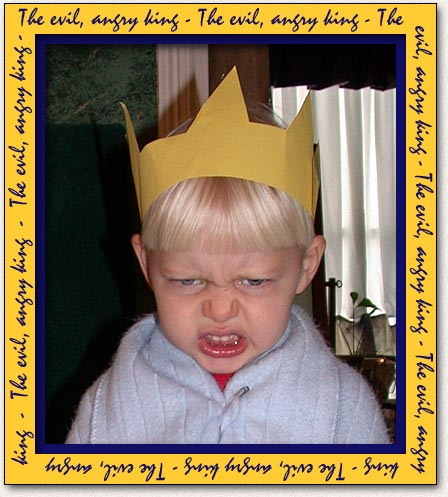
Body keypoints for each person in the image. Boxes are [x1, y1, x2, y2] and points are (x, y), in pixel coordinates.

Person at [65, 68, 390, 444]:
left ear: (306, 265)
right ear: (147, 264)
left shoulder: (344, 410)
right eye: (188, 280)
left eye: (253, 281)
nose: (219, 310)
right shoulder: (107, 409)